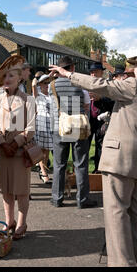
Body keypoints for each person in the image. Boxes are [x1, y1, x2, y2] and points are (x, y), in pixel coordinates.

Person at [50, 49, 137, 267]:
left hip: (118, 159)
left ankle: (122, 264)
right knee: (136, 215)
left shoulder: (135, 85)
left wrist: (67, 74)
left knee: (116, 216)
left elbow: (100, 85)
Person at [0, 55, 36, 241]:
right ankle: (9, 222)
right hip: (2, 152)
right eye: (4, 77)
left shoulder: (28, 100)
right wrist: (1, 142)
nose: (6, 80)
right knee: (6, 189)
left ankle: (22, 222)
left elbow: (31, 127)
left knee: (22, 190)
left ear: (19, 78)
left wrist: (15, 143)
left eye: (10, 76)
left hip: (19, 152)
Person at [49, 56, 97, 209]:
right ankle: (82, 199)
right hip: (78, 126)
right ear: (72, 69)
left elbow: (53, 105)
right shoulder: (79, 83)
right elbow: (86, 106)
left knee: (59, 165)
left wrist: (53, 76)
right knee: (80, 164)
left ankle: (57, 198)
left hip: (59, 126)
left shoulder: (52, 86)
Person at [87, 62, 114, 173]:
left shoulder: (107, 85)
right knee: (84, 146)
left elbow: (113, 102)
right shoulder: (86, 84)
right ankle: (81, 171)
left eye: (95, 72)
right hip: (87, 120)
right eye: (91, 72)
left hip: (101, 121)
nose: (93, 74)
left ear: (101, 73)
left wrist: (100, 98)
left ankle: (98, 170)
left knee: (100, 146)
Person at [34, 74, 53, 184]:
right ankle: (43, 172)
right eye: (44, 83)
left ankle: (43, 169)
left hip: (50, 124)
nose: (47, 85)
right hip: (41, 123)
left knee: (47, 150)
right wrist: (36, 80)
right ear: (40, 84)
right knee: (41, 149)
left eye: (48, 82)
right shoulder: (37, 94)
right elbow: (33, 84)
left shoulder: (51, 95)